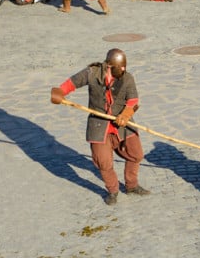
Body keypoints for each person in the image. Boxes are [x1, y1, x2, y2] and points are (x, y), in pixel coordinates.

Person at [49, 49, 151, 206]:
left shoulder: (127, 78)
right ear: (110, 66)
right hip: (99, 126)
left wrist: (126, 114)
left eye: (124, 67)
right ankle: (112, 191)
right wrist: (60, 92)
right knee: (103, 162)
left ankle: (131, 185)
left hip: (123, 125)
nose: (123, 70)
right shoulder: (92, 73)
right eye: (120, 68)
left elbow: (133, 100)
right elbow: (72, 83)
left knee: (136, 154)